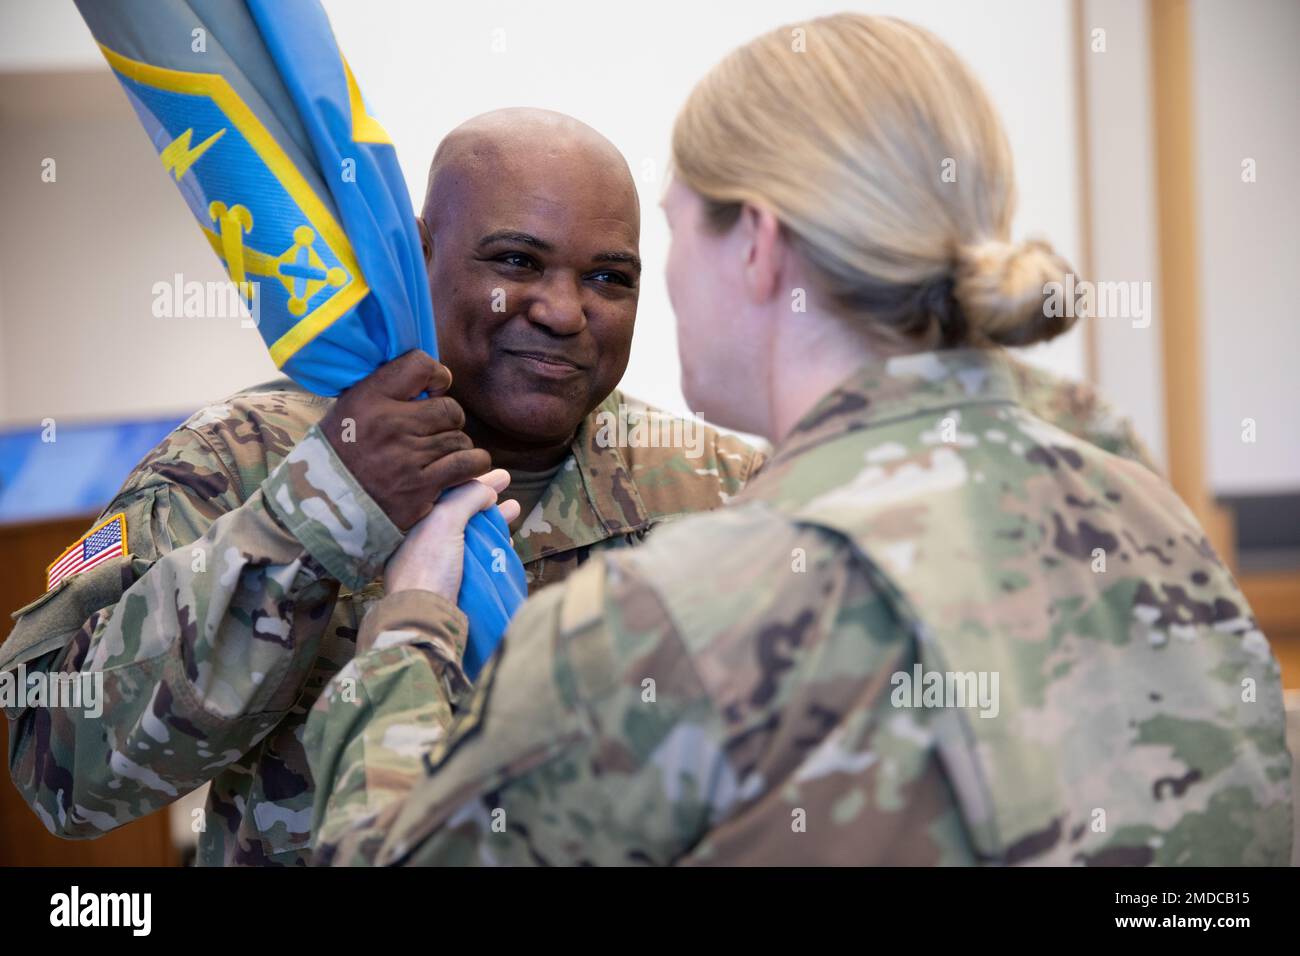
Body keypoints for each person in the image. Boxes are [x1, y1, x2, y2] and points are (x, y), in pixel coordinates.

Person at [305, 15, 1293, 866]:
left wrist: (411, 627)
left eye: (670, 234)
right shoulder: (1140, 504)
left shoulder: (677, 611)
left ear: (759, 243)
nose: (598, 303)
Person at [0, 110, 762, 866]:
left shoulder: (723, 490)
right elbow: (57, 771)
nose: (564, 311)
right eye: (517, 262)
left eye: (607, 277)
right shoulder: (242, 458)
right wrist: (316, 514)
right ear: (417, 258)